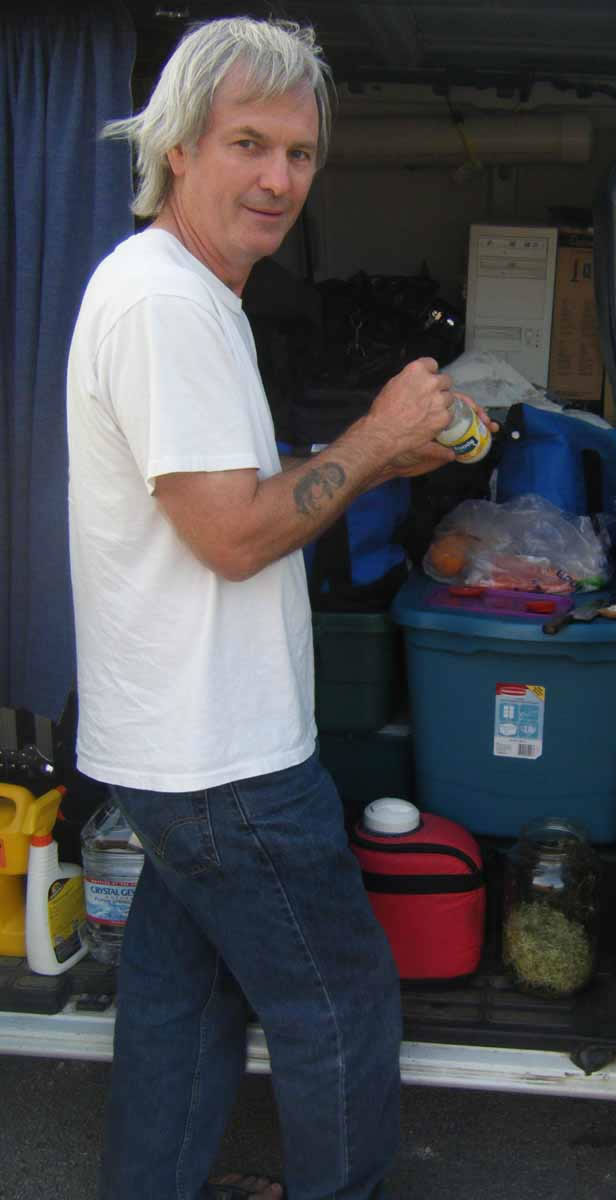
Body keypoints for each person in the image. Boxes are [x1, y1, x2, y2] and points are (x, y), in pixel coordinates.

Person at [66, 17, 493, 1200]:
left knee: (181, 995)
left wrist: (378, 457)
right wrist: (375, 438)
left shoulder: (186, 296)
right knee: (340, 1003)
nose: (278, 179)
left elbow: (231, 494)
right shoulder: (165, 305)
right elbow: (234, 535)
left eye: (300, 154)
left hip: (179, 749)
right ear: (180, 148)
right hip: (222, 762)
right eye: (249, 143)